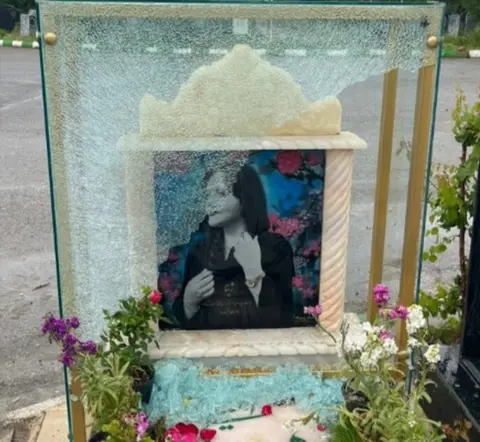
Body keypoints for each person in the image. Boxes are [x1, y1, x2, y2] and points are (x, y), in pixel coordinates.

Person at [172, 165, 295, 330]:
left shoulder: (275, 248)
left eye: (221, 193)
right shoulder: (199, 252)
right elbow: (188, 325)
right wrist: (189, 302)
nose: (210, 202)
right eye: (207, 195)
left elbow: (282, 316)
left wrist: (253, 270)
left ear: (244, 199)